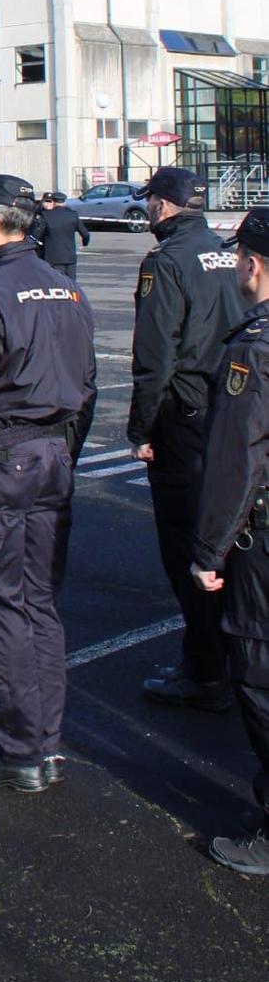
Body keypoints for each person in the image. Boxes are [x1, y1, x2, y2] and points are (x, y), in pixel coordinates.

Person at [0, 173, 96, 792]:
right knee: (40, 602)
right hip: (54, 455)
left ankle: (20, 751)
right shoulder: (66, 288)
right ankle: (46, 742)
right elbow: (88, 385)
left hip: (7, 461)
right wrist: (67, 452)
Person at [128, 166, 247, 710]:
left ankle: (204, 670)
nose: (148, 209)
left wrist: (141, 428)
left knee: (187, 547)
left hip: (188, 416)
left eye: (151, 200)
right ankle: (235, 658)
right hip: (237, 410)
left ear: (166, 206)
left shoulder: (166, 262)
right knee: (230, 540)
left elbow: (155, 358)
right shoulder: (232, 254)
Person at [190, 210, 269, 875]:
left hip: (264, 542)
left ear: (252, 264)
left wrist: (208, 549)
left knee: (258, 672)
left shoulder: (254, 347)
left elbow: (234, 462)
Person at [34, 190, 90, 280]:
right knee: (71, 283)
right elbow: (85, 234)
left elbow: (36, 235)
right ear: (64, 201)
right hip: (70, 256)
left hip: (52, 256)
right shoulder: (73, 215)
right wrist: (85, 242)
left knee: (57, 282)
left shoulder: (46, 215)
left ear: (53, 201)